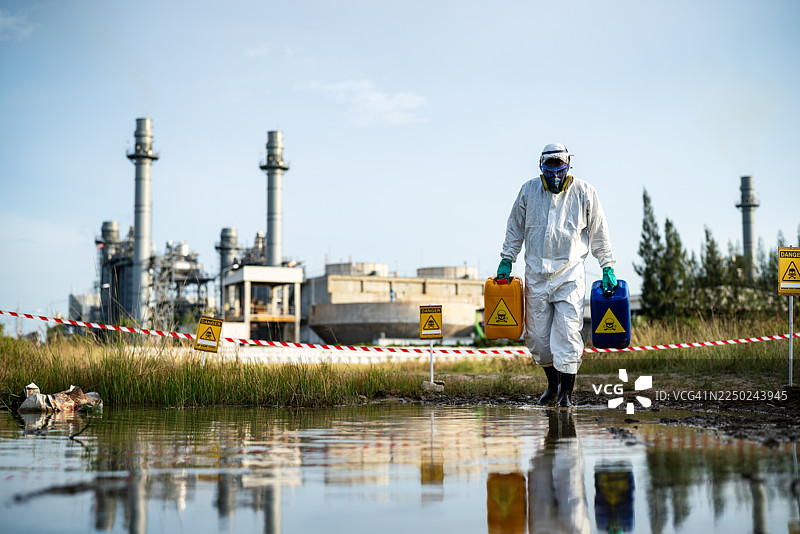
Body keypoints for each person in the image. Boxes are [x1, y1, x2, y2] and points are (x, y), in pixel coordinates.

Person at [497, 143, 616, 407]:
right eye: (549, 171)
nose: (554, 177)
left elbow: (599, 231)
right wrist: (507, 258)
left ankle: (566, 396)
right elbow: (514, 228)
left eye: (559, 170)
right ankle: (552, 384)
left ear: (568, 167)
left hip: (569, 277)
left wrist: (607, 264)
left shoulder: (584, 192)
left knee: (568, 335)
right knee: (537, 339)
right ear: (541, 168)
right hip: (536, 277)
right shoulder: (528, 191)